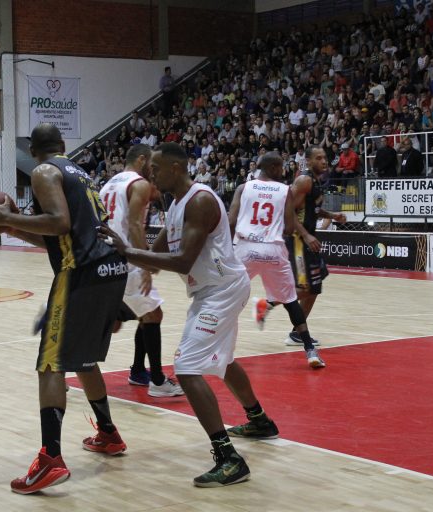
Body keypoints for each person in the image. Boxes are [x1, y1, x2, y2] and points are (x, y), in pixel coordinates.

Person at [100, 143, 279, 488]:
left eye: (156, 168)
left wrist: (127, 251)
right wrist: (127, 265)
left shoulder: (199, 201)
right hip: (209, 291)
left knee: (186, 367)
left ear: (176, 168)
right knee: (223, 360)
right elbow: (154, 255)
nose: (151, 173)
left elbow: (181, 261)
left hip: (222, 290)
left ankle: (228, 458)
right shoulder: (175, 205)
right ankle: (259, 420)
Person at [0, 124, 128, 495]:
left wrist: (7, 218)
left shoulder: (44, 172)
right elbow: (61, 237)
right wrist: (13, 229)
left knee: (51, 363)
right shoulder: (81, 173)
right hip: (111, 269)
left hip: (81, 272)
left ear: (32, 150)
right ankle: (108, 433)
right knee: (84, 360)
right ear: (62, 144)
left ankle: (50, 458)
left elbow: (59, 222)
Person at [99, 144, 183, 397]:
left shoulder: (107, 185)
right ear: (142, 160)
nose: (154, 170)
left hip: (105, 256)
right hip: (126, 258)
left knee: (135, 317)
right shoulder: (139, 184)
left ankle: (138, 371)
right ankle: (157, 381)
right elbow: (136, 225)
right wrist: (146, 263)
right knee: (153, 315)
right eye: (152, 165)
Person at [228, 152, 325, 369]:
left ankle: (217, 345)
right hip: (273, 249)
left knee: (225, 296)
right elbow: (289, 228)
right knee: (290, 300)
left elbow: (231, 221)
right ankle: (310, 351)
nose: (283, 171)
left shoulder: (243, 188)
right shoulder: (284, 190)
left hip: (245, 249)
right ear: (273, 168)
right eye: (281, 167)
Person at [286, 147, 346, 347]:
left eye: (325, 158)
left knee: (315, 287)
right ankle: (268, 303)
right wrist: (305, 234)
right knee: (306, 287)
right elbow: (288, 211)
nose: (324, 161)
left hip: (308, 240)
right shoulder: (304, 180)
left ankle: (297, 332)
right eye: (318, 158)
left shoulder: (317, 181)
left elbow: (314, 209)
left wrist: (332, 215)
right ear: (309, 161)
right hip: (297, 239)